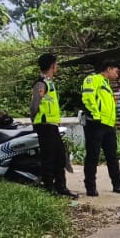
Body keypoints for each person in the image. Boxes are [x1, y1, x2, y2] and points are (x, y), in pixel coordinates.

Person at [31, 53, 75, 197]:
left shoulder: (49, 83)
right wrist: (35, 121)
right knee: (48, 157)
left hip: (52, 125)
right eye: (56, 64)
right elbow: (34, 106)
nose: (58, 67)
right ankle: (49, 187)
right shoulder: (41, 83)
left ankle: (61, 186)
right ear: (52, 66)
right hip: (44, 125)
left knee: (60, 156)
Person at [81, 59, 120, 197]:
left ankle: (118, 184)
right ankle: (90, 187)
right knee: (93, 156)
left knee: (112, 156)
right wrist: (96, 116)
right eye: (116, 71)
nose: (117, 75)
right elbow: (88, 97)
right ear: (109, 69)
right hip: (96, 124)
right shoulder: (93, 79)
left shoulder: (107, 85)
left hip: (108, 125)